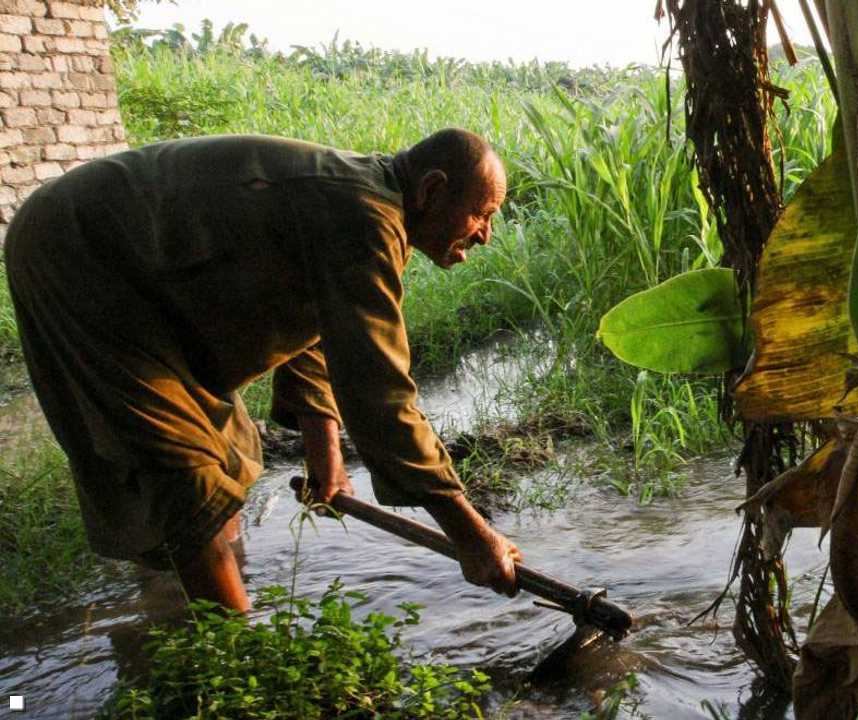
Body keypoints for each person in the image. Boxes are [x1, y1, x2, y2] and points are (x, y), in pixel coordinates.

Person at [4, 128, 522, 612]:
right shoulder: (363, 215)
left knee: (227, 452)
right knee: (183, 467)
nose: (485, 236)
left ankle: (184, 603)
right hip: (77, 251)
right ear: (432, 190)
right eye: (482, 214)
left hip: (140, 276)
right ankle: (239, 656)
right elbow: (379, 393)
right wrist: (471, 535)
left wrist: (326, 455)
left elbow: (316, 325)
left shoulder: (369, 210)